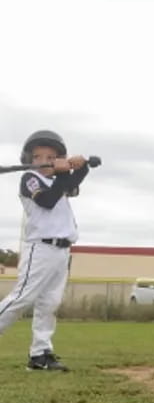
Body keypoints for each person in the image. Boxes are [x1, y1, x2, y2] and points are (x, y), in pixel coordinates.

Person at [0, 130, 92, 371]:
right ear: (29, 158)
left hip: (62, 250)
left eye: (51, 156)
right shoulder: (30, 178)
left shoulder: (58, 181)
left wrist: (81, 167)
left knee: (49, 303)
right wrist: (63, 171)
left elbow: (71, 186)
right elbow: (47, 201)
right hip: (40, 248)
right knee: (22, 298)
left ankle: (40, 354)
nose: (44, 160)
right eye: (38, 155)